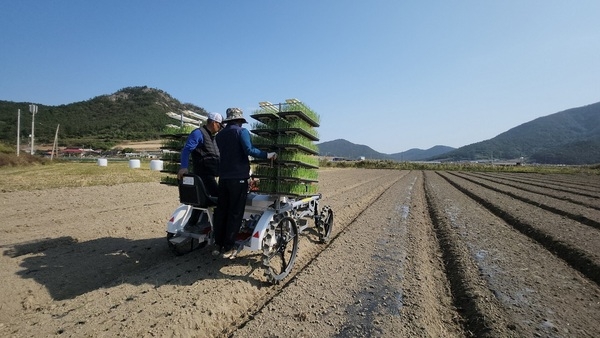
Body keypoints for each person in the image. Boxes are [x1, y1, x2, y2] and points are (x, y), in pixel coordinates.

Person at [213, 108, 276, 258]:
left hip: (223, 179)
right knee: (235, 212)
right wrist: (267, 155)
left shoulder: (219, 135)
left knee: (222, 211)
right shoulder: (242, 132)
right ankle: (229, 247)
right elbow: (249, 150)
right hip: (238, 178)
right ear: (240, 120)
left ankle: (218, 244)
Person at [177, 112, 223, 227]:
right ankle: (218, 227)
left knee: (201, 202)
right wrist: (184, 167)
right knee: (220, 200)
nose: (220, 128)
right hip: (203, 175)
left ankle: (192, 225)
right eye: (219, 125)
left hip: (210, 175)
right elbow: (186, 150)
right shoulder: (198, 133)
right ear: (213, 123)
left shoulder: (213, 137)